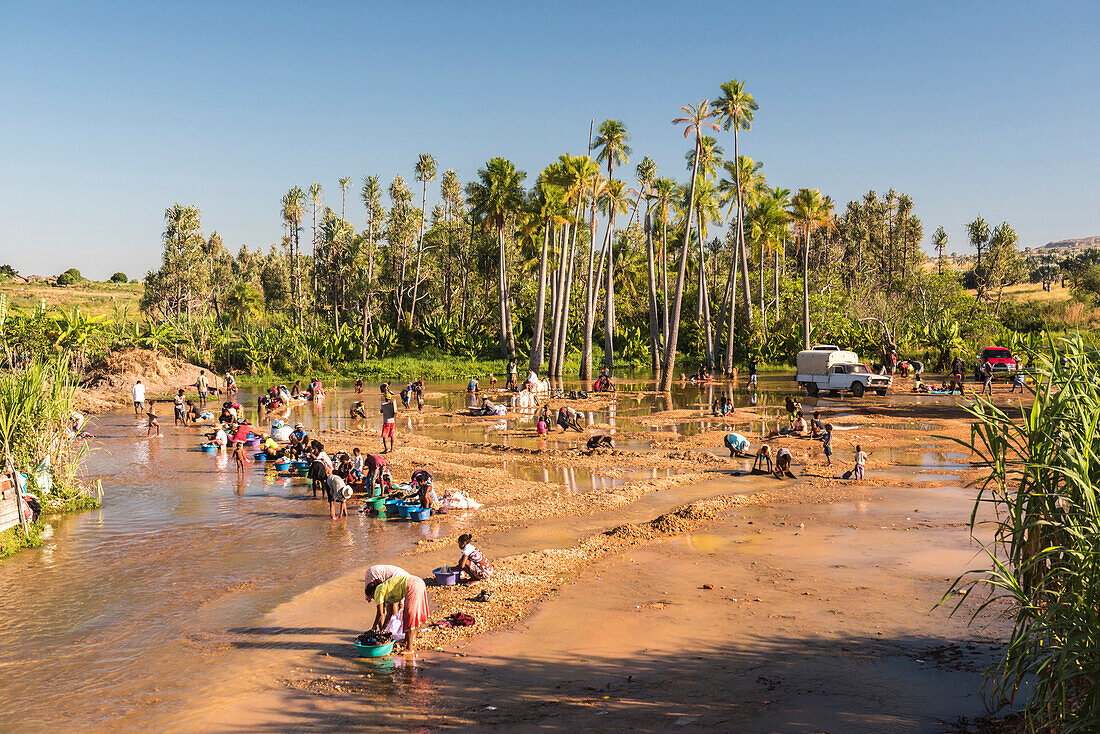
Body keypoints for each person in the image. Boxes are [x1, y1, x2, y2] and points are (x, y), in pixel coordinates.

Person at [364, 565, 430, 654]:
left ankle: (409, 648)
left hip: (413, 585)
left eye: (372, 597)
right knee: (407, 614)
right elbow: (389, 614)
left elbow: (380, 614)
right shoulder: (385, 589)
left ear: (372, 592)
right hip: (417, 582)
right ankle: (406, 641)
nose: (374, 599)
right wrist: (382, 630)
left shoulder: (378, 591)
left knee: (409, 616)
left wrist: (373, 628)